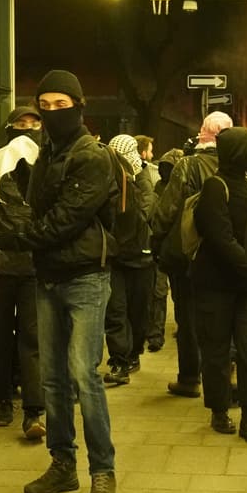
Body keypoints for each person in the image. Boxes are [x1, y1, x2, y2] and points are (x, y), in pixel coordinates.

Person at [0, 69, 119, 493]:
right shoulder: (44, 155)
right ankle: (63, 465)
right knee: (54, 379)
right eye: (46, 105)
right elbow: (39, 210)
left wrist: (8, 238)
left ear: (80, 106)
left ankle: (103, 472)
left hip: (84, 278)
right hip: (49, 277)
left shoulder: (92, 156)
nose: (53, 113)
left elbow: (63, 220)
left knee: (83, 374)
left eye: (62, 105)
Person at [191, 127, 247, 440]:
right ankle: (219, 411)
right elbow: (220, 238)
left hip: (246, 287)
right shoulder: (215, 186)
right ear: (236, 152)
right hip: (215, 284)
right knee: (217, 349)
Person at [151, 111, 234, 398]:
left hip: (189, 255)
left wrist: (157, 237)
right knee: (223, 316)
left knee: (187, 317)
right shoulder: (239, 166)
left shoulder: (187, 166)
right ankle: (226, 375)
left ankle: (189, 378)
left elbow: (166, 210)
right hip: (225, 254)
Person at [0, 109, 45, 438]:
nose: (28, 130)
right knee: (0, 338)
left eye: (34, 125)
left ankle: (34, 409)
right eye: (21, 125)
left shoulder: (47, 164)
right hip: (2, 266)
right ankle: (4, 398)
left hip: (35, 267)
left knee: (31, 339)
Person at [103, 133, 156, 384]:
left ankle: (133, 352)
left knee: (138, 311)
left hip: (142, 256)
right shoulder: (105, 179)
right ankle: (119, 361)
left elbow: (146, 213)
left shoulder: (144, 178)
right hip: (115, 257)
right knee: (116, 311)